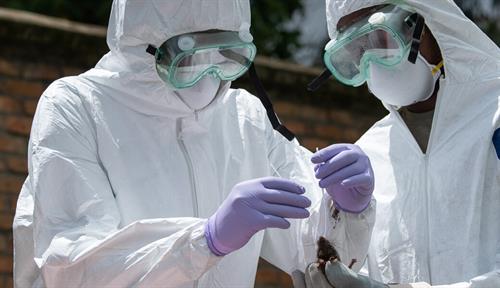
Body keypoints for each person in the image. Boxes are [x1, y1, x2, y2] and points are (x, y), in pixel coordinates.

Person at [12, 0, 377, 287]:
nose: (211, 74)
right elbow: (73, 267)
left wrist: (344, 209)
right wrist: (205, 240)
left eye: (226, 54)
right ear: (145, 46)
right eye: (190, 58)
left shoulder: (244, 117)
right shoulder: (77, 107)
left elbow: (312, 254)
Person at [300, 0, 500, 287]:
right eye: (356, 51)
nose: (371, 61)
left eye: (381, 39)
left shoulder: (494, 118)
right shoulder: (370, 153)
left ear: (426, 22)